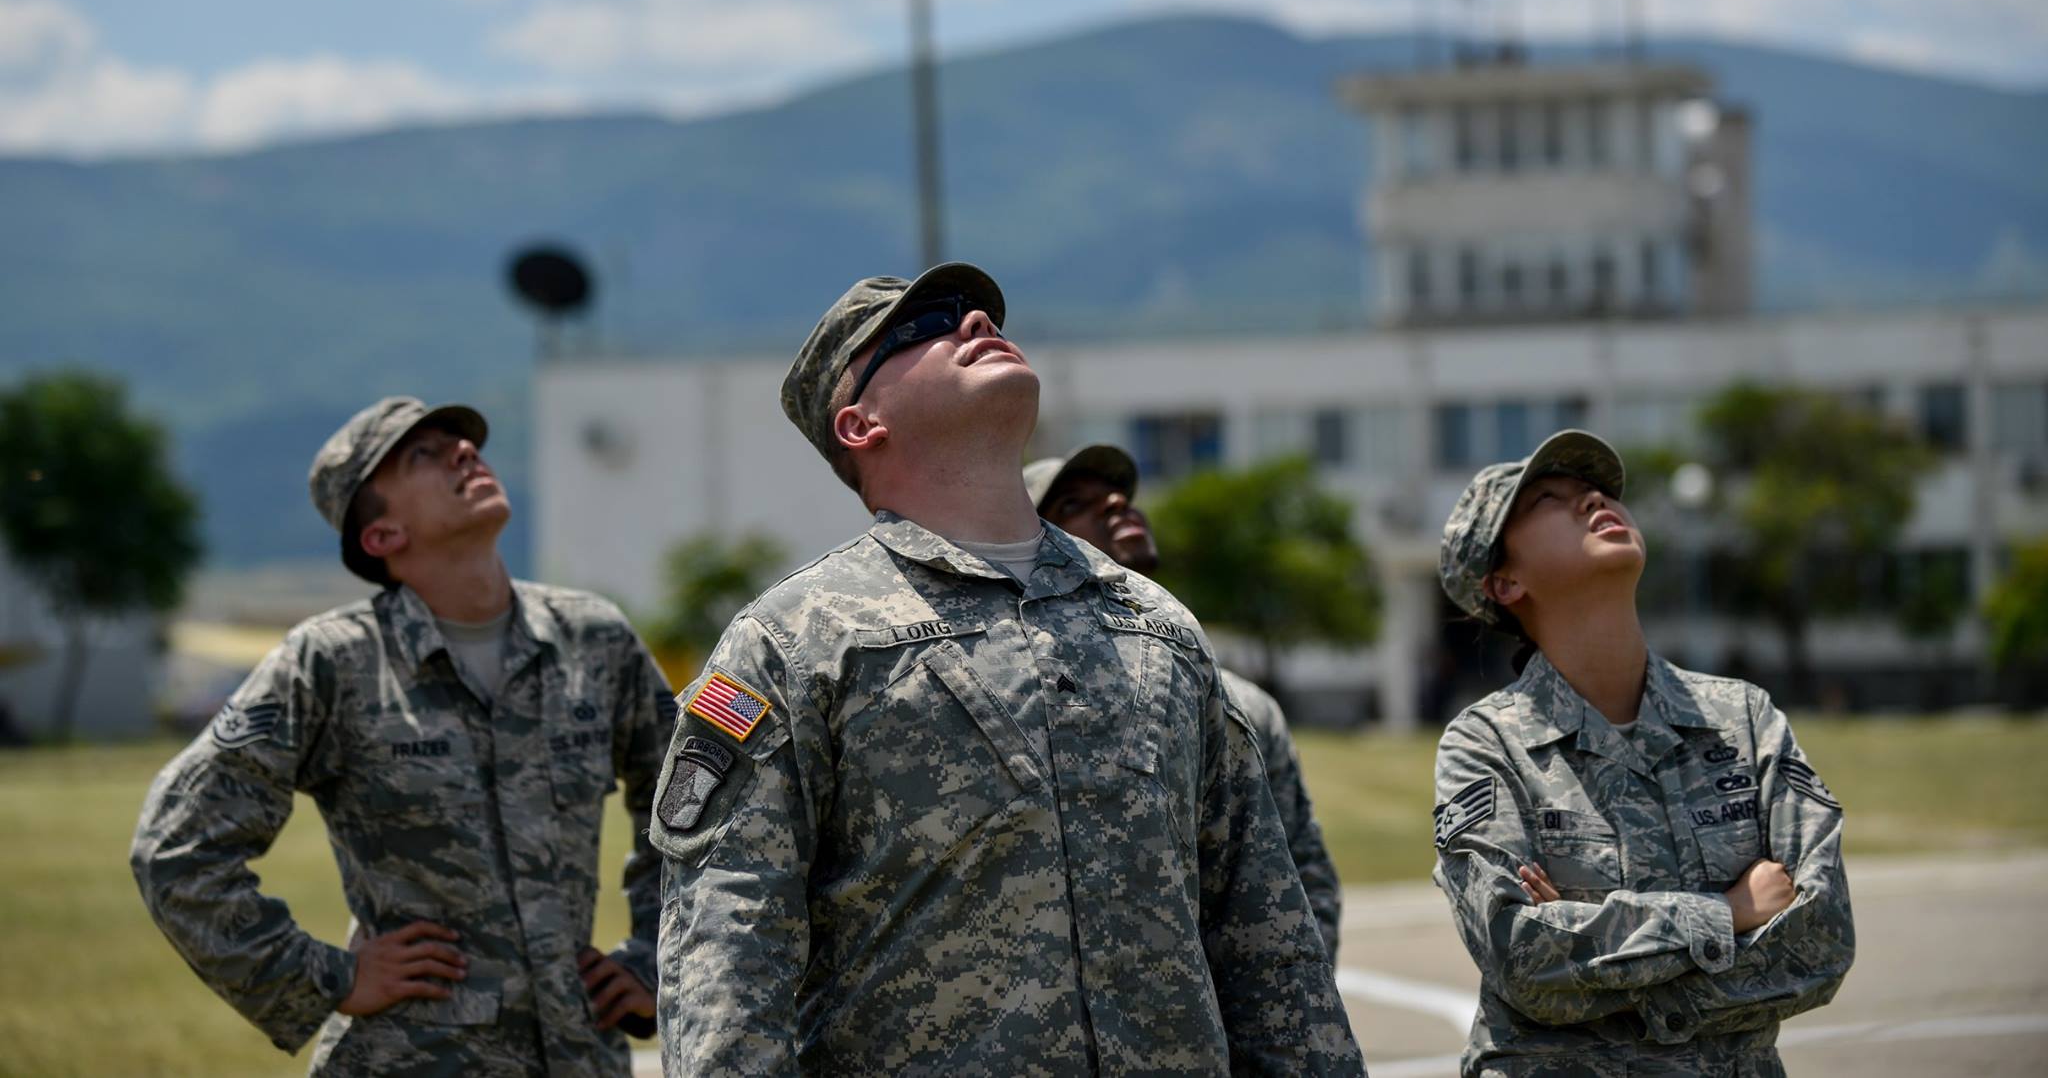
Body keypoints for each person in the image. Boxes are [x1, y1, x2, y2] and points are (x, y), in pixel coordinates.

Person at [650, 263, 1366, 1075]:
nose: (977, 322)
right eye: (924, 328)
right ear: (859, 424)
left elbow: (1268, 939)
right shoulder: (794, 640)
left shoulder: (1157, 627)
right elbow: (730, 956)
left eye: (981, 311)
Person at [132, 397, 673, 1077]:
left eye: (464, 443)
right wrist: (327, 976)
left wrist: (657, 960)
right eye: (424, 453)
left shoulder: (593, 640)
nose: (465, 453)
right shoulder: (332, 664)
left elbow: (694, 809)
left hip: (579, 1055)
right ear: (381, 535)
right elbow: (176, 847)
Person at [1430, 429, 1854, 1076]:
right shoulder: (1486, 744)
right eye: (1549, 497)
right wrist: (1728, 913)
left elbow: (1822, 941)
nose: (1593, 499)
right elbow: (1521, 957)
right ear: (1505, 582)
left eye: (1596, 489)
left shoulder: (1741, 717)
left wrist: (1599, 972)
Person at [1025, 442, 1344, 964]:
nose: (1113, 503)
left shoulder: (1243, 703)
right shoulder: (1034, 695)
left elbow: (1300, 871)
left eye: (1117, 494)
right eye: (1072, 505)